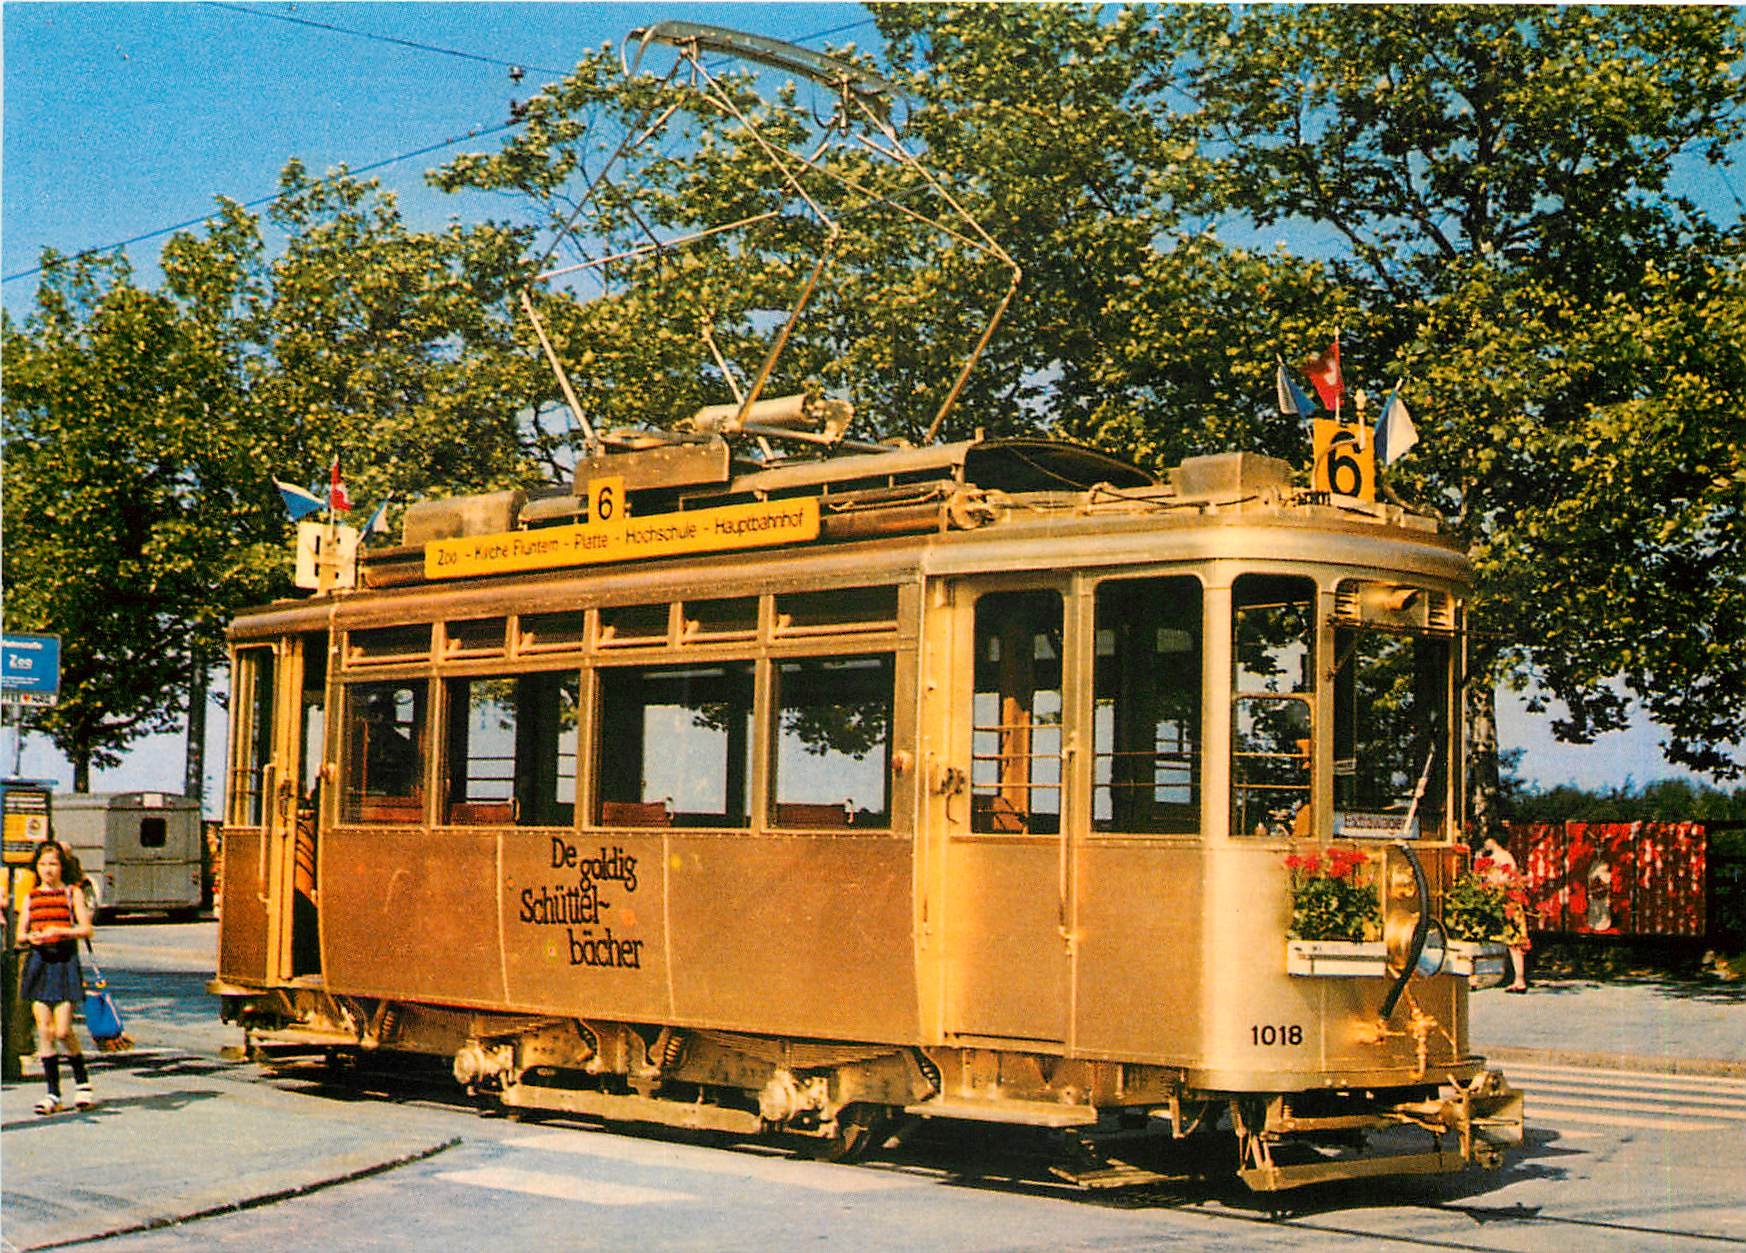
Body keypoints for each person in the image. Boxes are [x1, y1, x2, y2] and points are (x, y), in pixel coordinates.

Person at [18, 840, 97, 1114]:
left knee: (63, 1030)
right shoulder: (31, 897)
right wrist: (32, 937)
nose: (48, 869)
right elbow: (21, 933)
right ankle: (53, 1093)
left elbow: (86, 929)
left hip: (64, 963)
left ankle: (83, 1083)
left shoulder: (71, 893)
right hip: (39, 963)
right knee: (44, 1030)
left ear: (62, 866)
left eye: (53, 864)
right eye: (43, 864)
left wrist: (61, 932)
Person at [1480, 835, 1531, 993]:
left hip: (1508, 901)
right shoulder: (1500, 856)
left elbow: (1505, 879)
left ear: (1493, 840)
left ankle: (1519, 979)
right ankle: (1513, 978)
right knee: (1509, 941)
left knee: (1514, 941)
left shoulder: (1503, 857)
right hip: (1502, 900)